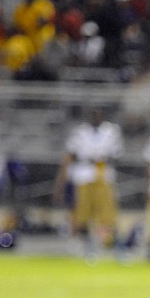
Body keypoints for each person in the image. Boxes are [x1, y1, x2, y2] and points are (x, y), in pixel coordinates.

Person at [54, 107, 124, 257]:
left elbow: (116, 155)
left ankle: (108, 244)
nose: (96, 116)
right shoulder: (80, 132)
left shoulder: (111, 131)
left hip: (104, 174)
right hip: (84, 174)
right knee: (82, 213)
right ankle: (84, 244)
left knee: (106, 213)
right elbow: (70, 155)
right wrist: (62, 180)